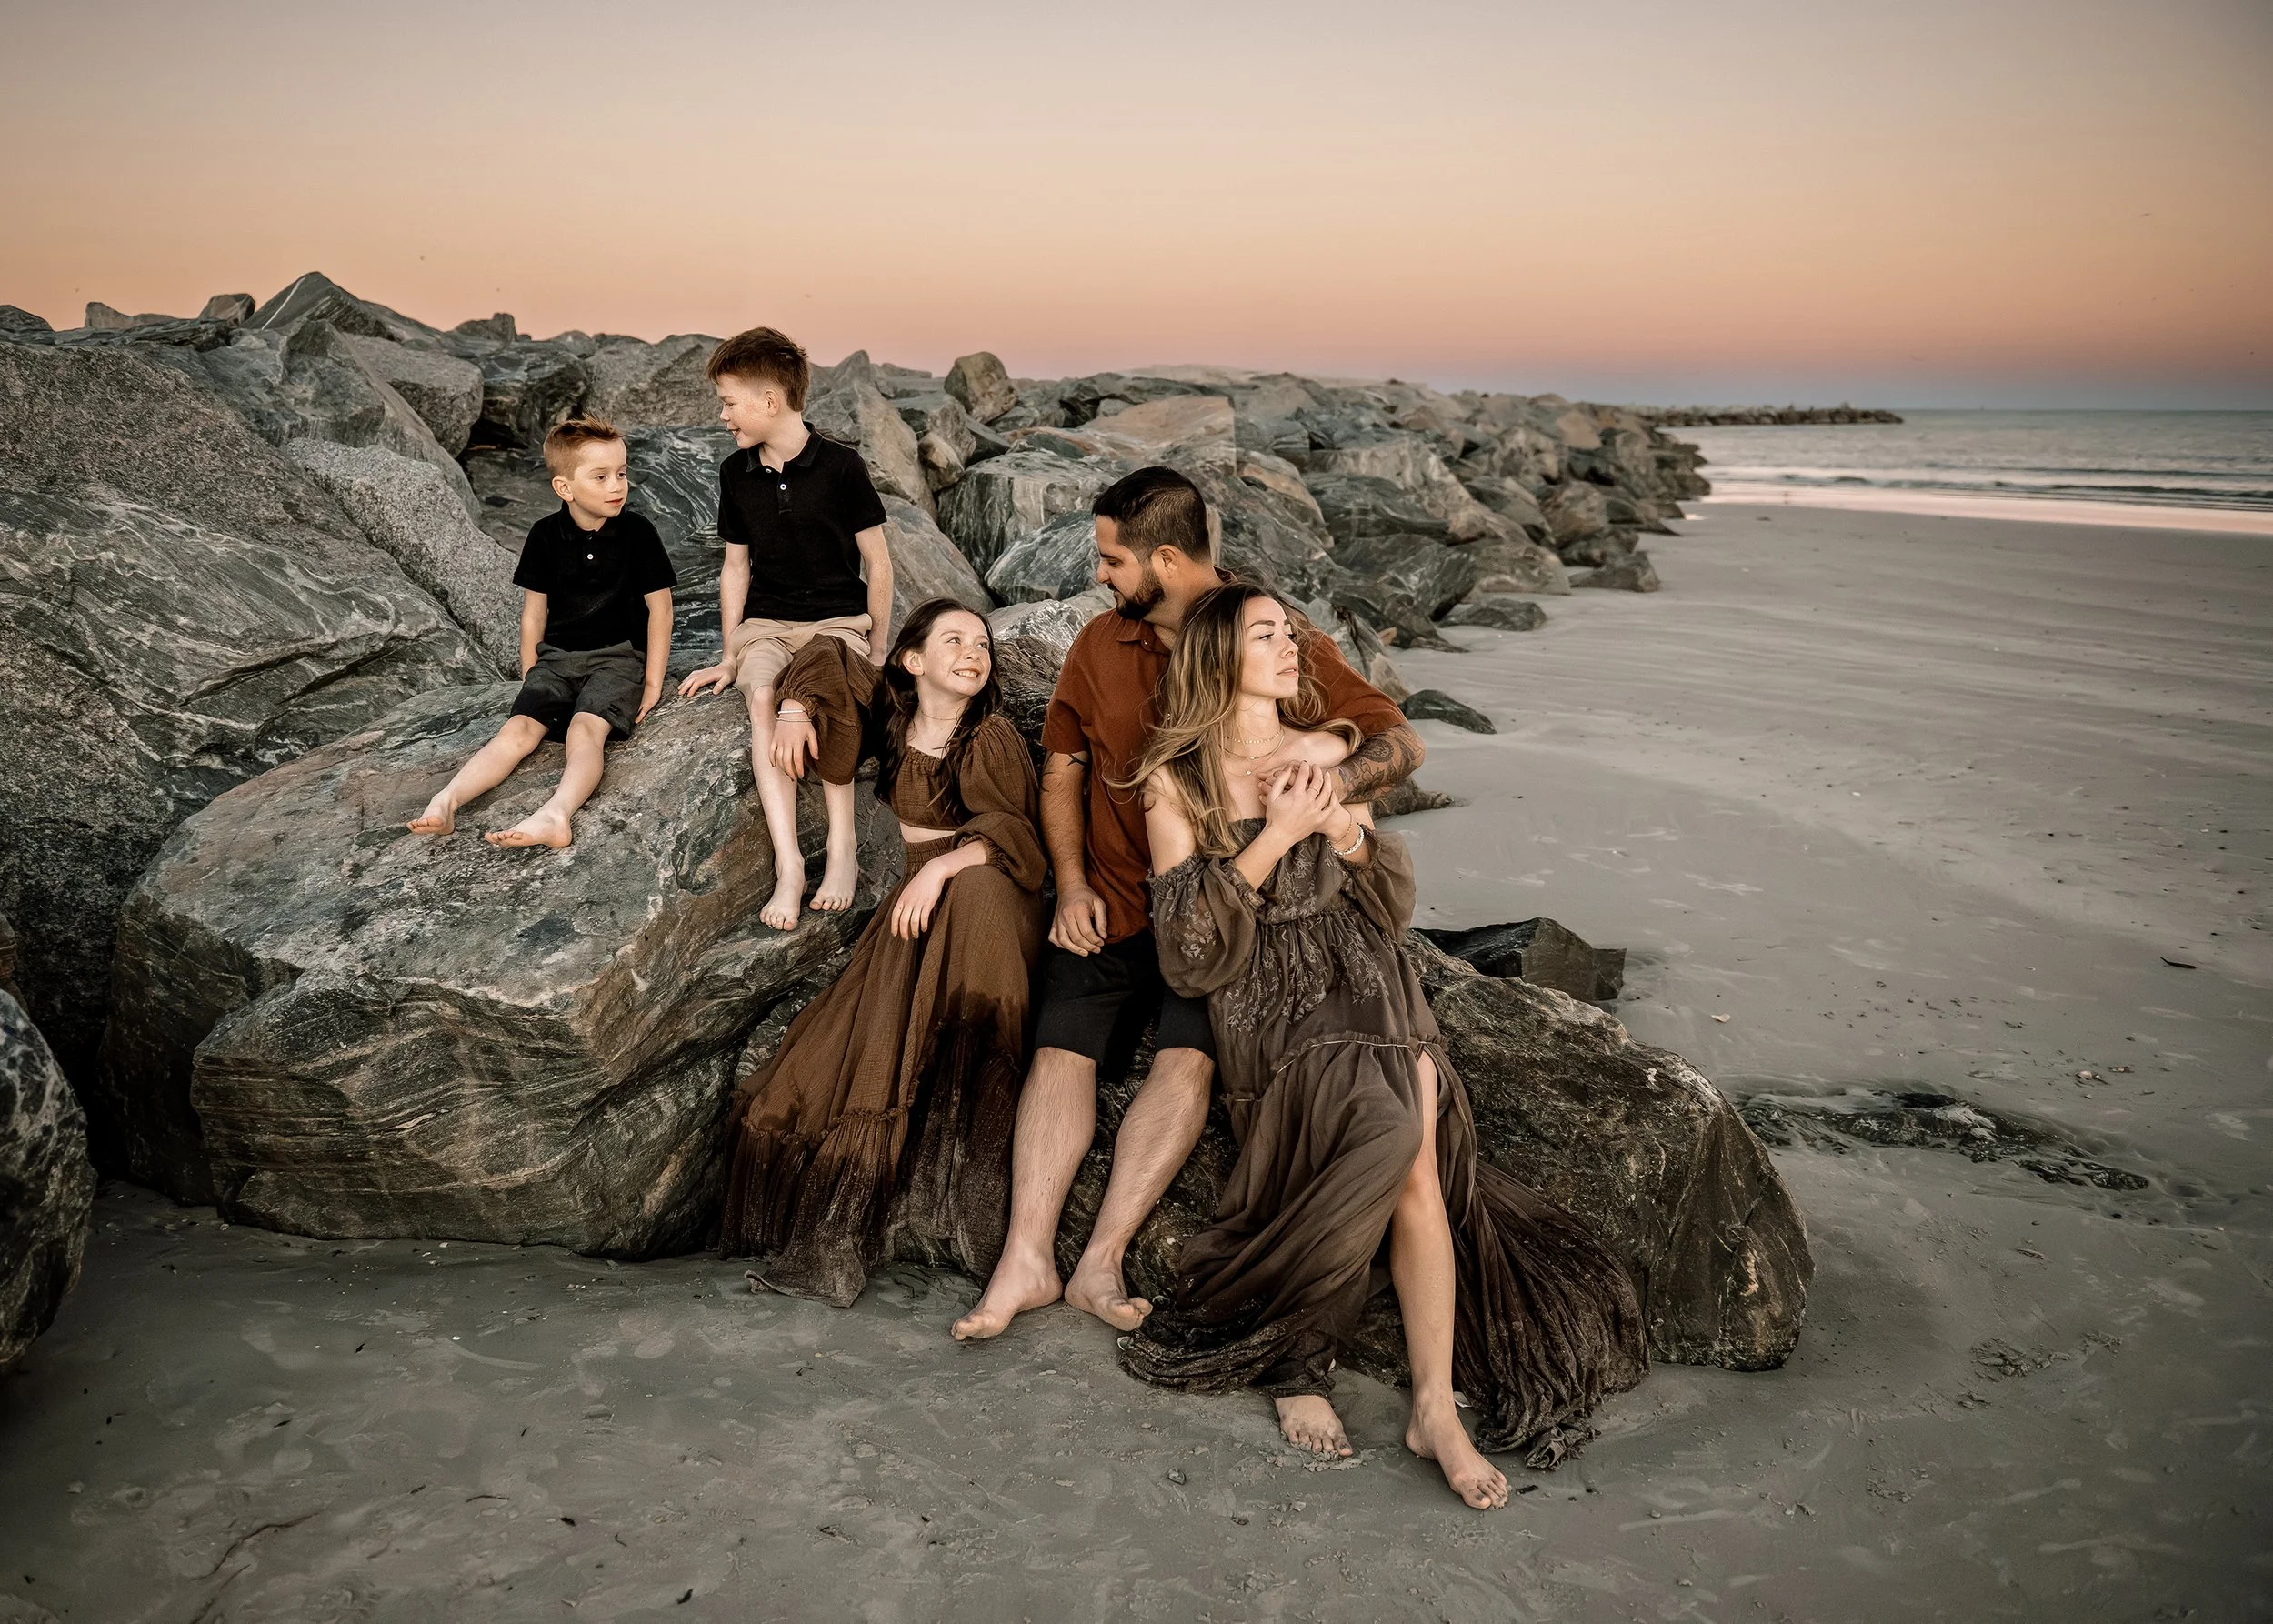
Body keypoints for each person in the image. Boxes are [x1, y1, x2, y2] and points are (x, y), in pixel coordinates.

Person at [1117, 582, 1648, 1509]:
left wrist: (1341, 834)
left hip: (1365, 971)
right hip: (1268, 992)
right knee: (1396, 1128)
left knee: (1410, 1118)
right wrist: (1274, 837)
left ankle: (1426, 1403)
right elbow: (1188, 952)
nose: (1292, 648)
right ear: (1216, 659)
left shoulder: (1329, 756)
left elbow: (1390, 904)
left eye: (1291, 630)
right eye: (1267, 635)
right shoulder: (1177, 779)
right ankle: (1313, 1365)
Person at [952, 466, 1427, 1342]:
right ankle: (1026, 1258)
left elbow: (1400, 741)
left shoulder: (1272, 632)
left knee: (1190, 1060)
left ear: (1164, 559)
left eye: (1112, 560)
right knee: (1062, 1049)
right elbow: (1064, 768)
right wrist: (1074, 882)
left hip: (1222, 919)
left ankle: (1100, 1261)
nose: (1101, 575)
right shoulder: (1101, 643)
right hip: (1114, 901)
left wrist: (1326, 773)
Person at [719, 599, 1047, 1306]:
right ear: (911, 659)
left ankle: (969, 1210)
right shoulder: (894, 723)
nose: (974, 651)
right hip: (919, 905)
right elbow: (829, 656)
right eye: (954, 639)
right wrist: (794, 710)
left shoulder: (988, 737)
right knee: (823, 1066)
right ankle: (845, 1232)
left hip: (985, 902)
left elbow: (1017, 838)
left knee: (971, 901)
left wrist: (938, 867)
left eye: (982, 643)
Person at [676, 326, 894, 931]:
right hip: (767, 624)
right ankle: (790, 865)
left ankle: (844, 851)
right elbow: (735, 568)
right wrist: (728, 655)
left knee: (825, 697)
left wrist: (875, 648)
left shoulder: (843, 467)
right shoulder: (735, 473)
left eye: (728, 402)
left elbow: (878, 563)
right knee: (763, 696)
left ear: (770, 401)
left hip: (838, 623)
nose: (723, 415)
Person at [408, 416, 675, 849]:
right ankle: (446, 801)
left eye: (622, 474)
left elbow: (660, 610)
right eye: (601, 477)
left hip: (618, 658)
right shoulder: (544, 535)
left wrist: (652, 682)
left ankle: (556, 814)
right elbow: (534, 614)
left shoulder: (638, 533)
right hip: (555, 659)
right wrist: (532, 673)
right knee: (518, 731)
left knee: (584, 731)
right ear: (564, 488)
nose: (617, 486)